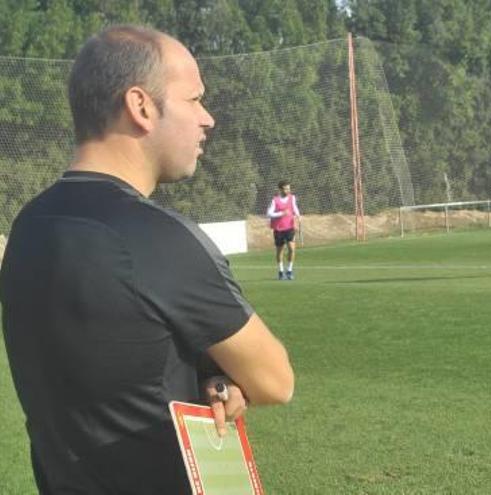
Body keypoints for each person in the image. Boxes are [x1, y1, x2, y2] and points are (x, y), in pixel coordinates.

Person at [0, 26, 294, 494]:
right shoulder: (158, 237)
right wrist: (234, 377)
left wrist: (213, 379)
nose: (209, 118)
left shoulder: (29, 227)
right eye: (194, 99)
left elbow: (116, 363)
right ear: (140, 106)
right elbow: (276, 380)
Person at [267, 180, 301, 280]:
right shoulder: (275, 200)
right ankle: (281, 271)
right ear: (280, 189)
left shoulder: (292, 198)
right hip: (278, 229)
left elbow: (294, 208)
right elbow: (269, 213)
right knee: (279, 251)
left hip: (289, 227)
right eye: (286, 188)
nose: (288, 190)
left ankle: (289, 270)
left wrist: (298, 216)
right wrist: (281, 213)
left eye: (289, 188)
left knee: (291, 249)